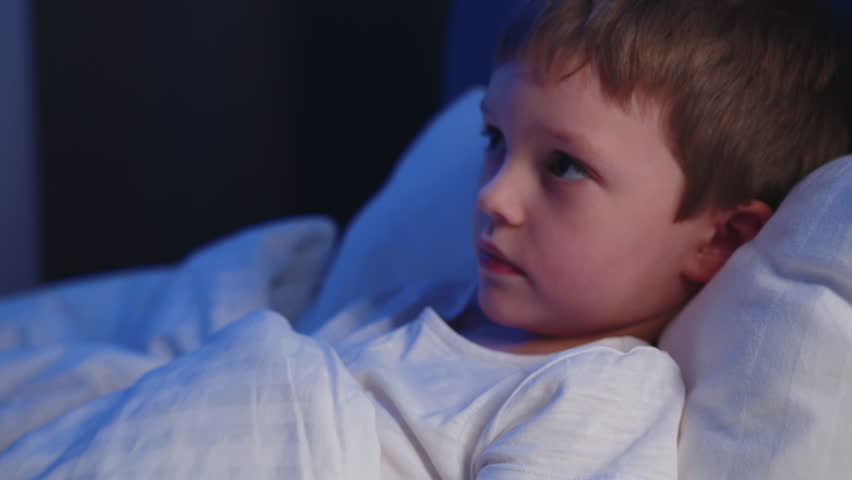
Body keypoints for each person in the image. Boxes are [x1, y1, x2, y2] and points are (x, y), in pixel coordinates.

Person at [2, 0, 849, 478]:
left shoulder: (594, 396)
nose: (493, 195)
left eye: (563, 167)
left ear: (716, 240)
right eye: (493, 141)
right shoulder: (415, 308)